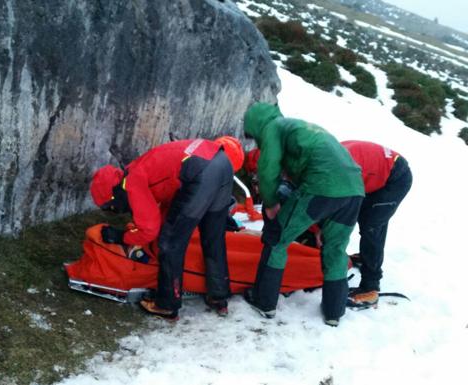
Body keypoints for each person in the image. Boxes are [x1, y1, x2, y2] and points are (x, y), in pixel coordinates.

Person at [90, 137, 244, 320]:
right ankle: (218, 297)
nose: (115, 211)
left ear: (113, 196)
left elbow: (149, 230)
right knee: (213, 238)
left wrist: (122, 237)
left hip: (201, 172)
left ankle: (167, 304)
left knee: (170, 244)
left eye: (111, 208)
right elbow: (169, 203)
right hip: (221, 162)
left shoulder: (132, 182)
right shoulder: (139, 167)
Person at [242, 102, 364, 326]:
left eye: (251, 133)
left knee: (277, 239)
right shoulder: (299, 126)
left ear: (257, 124)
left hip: (321, 184)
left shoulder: (273, 128)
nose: (253, 139)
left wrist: (270, 203)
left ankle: (264, 302)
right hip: (355, 189)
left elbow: (268, 168)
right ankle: (333, 312)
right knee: (335, 248)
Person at [340, 140, 412, 309]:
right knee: (365, 216)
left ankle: (370, 288)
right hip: (374, 171)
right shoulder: (327, 159)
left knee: (371, 227)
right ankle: (366, 257)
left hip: (395, 177)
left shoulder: (339, 171)